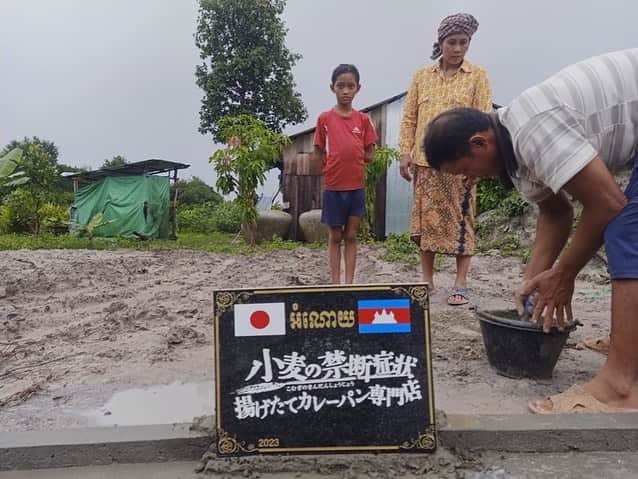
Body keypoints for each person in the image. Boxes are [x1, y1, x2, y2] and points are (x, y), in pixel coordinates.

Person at [423, 48, 638, 413]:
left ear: (479, 142)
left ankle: (619, 387)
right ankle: (629, 344)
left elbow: (607, 203)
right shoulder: (515, 158)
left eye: (463, 168)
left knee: (625, 233)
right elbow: (555, 214)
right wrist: (531, 284)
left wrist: (564, 274)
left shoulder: (531, 131)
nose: (466, 179)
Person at [398, 13, 492, 305]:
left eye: (463, 42)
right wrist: (405, 153)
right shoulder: (421, 77)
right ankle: (427, 280)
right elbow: (409, 117)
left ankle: (460, 283)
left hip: (462, 162)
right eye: (452, 42)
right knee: (427, 223)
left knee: (462, 220)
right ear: (441, 43)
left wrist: (479, 163)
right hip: (426, 162)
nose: (457, 48)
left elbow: (484, 119)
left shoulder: (477, 76)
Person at [313, 64, 378, 284]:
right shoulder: (324, 119)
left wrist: (356, 156)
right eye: (341, 86)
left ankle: (349, 282)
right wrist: (330, 167)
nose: (345, 91)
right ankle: (335, 282)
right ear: (332, 88)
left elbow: (370, 152)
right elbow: (318, 151)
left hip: (356, 186)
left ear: (358, 88)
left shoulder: (363, 120)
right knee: (335, 235)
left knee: (351, 235)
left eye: (350, 86)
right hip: (333, 186)